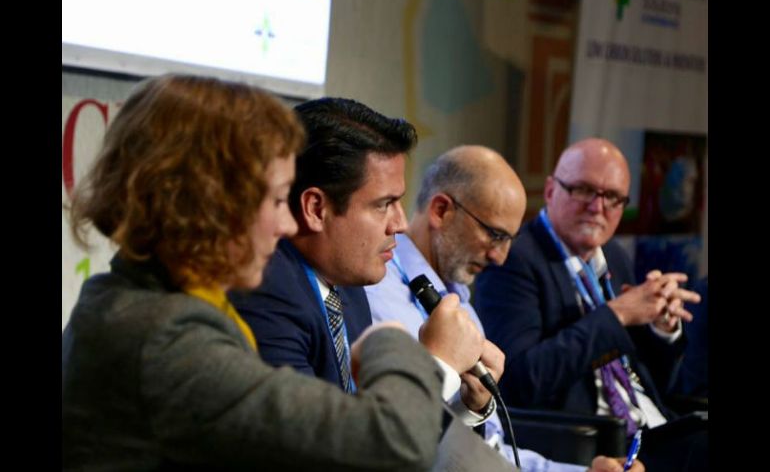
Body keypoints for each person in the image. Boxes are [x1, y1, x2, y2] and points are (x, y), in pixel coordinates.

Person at [61, 75, 458, 470]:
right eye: (275, 199)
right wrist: (390, 343)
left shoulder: (130, 300)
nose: (287, 225)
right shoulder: (167, 339)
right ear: (211, 204)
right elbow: (390, 444)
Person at [229, 98, 503, 432]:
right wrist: (436, 366)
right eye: (384, 204)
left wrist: (466, 405)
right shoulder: (266, 291)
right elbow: (317, 446)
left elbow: (367, 427)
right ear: (316, 208)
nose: (399, 224)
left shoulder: (349, 286)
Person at [365, 145, 643, 472]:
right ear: (441, 210)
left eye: (510, 239)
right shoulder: (378, 294)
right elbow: (397, 438)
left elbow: (492, 450)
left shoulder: (459, 300)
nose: (501, 257)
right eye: (494, 235)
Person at [474, 138, 706, 472]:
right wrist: (618, 314)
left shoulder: (612, 256)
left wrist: (660, 327)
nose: (598, 208)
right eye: (584, 190)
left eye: (612, 197)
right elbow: (520, 381)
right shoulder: (515, 260)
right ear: (552, 190)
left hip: (650, 426)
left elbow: (650, 375)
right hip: (589, 442)